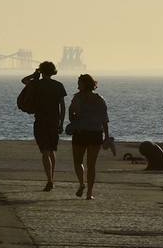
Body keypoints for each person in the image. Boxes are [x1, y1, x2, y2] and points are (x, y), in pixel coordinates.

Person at [22, 61, 68, 191]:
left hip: (41, 120)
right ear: (53, 71)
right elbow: (62, 106)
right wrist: (62, 123)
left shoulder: (36, 84)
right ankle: (51, 178)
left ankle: (49, 180)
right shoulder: (59, 85)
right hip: (54, 120)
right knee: (52, 150)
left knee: (45, 151)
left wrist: (34, 73)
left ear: (42, 71)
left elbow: (24, 80)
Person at [67, 73, 111, 199]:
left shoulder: (77, 98)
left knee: (78, 161)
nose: (77, 85)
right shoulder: (100, 99)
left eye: (79, 83)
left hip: (81, 133)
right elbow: (104, 120)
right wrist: (106, 136)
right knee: (91, 164)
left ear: (83, 84)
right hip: (96, 133)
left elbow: (72, 117)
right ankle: (90, 193)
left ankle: (81, 183)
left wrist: (72, 113)